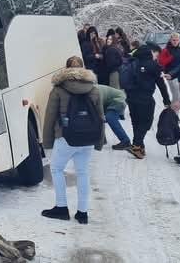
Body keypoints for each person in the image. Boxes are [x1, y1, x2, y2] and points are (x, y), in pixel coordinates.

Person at [41, 56, 126, 224]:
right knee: (83, 173)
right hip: (88, 137)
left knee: (57, 169)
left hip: (66, 137)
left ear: (66, 69)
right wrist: (99, 141)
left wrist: (48, 141)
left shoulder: (58, 89)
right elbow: (100, 116)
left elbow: (50, 116)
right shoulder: (93, 88)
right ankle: (82, 213)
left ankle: (61, 207)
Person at [125, 43, 171, 159]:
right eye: (157, 55)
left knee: (136, 122)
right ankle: (136, 145)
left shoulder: (132, 62)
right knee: (146, 123)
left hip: (131, 97)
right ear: (152, 52)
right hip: (145, 98)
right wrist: (166, 101)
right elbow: (162, 85)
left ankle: (139, 147)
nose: (157, 57)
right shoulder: (154, 66)